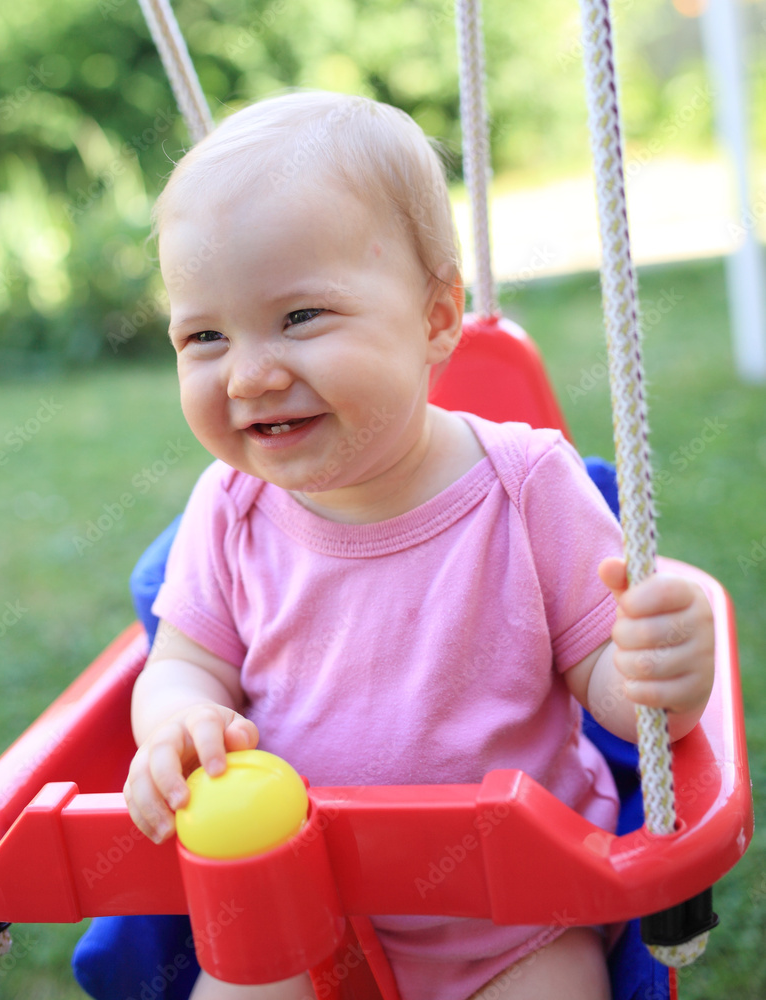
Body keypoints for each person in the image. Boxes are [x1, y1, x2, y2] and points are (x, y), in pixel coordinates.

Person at [123, 91, 715, 1000]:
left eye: (300, 318)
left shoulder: (526, 487)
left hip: (516, 911)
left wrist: (653, 675)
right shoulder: (230, 507)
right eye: (204, 335)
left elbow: (614, 688)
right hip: (296, 903)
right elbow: (184, 665)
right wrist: (176, 723)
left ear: (438, 319)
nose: (249, 373)